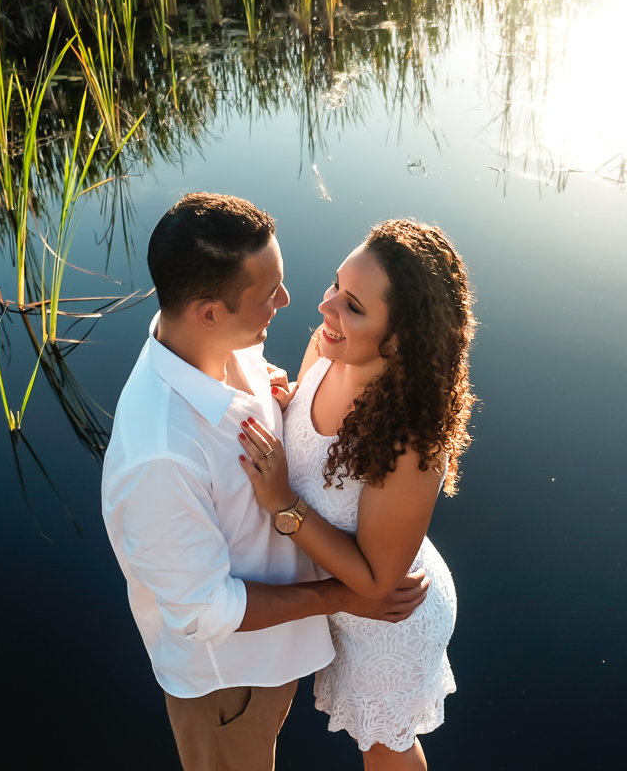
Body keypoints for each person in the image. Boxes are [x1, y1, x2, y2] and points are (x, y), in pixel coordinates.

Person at [101, 193, 429, 771]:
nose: (289, 300)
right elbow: (205, 614)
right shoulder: (159, 456)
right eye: (267, 294)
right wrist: (338, 597)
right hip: (230, 678)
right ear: (208, 311)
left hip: (278, 646)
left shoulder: (229, 343)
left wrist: (286, 402)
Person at [235, 219, 476, 771]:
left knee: (384, 747)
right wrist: (289, 399)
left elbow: (374, 581)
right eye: (335, 286)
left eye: (354, 306)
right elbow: (318, 439)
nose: (326, 310)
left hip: (388, 618)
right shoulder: (327, 346)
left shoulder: (408, 440)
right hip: (345, 597)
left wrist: (282, 506)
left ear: (402, 338)